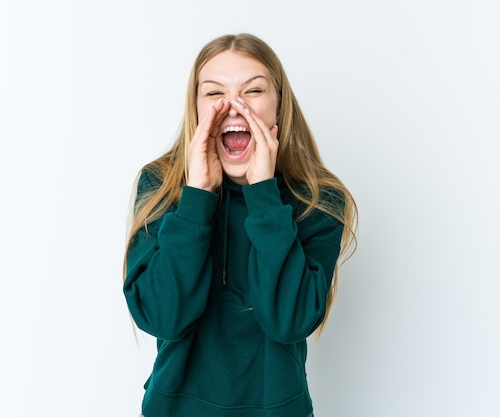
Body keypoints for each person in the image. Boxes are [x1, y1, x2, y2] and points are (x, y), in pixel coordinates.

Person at [123, 33, 357, 417]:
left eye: (253, 91)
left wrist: (263, 193)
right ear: (196, 109)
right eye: (215, 93)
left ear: (278, 107)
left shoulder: (320, 201)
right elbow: (161, 317)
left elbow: (290, 321)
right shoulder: (161, 186)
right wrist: (197, 198)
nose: (233, 106)